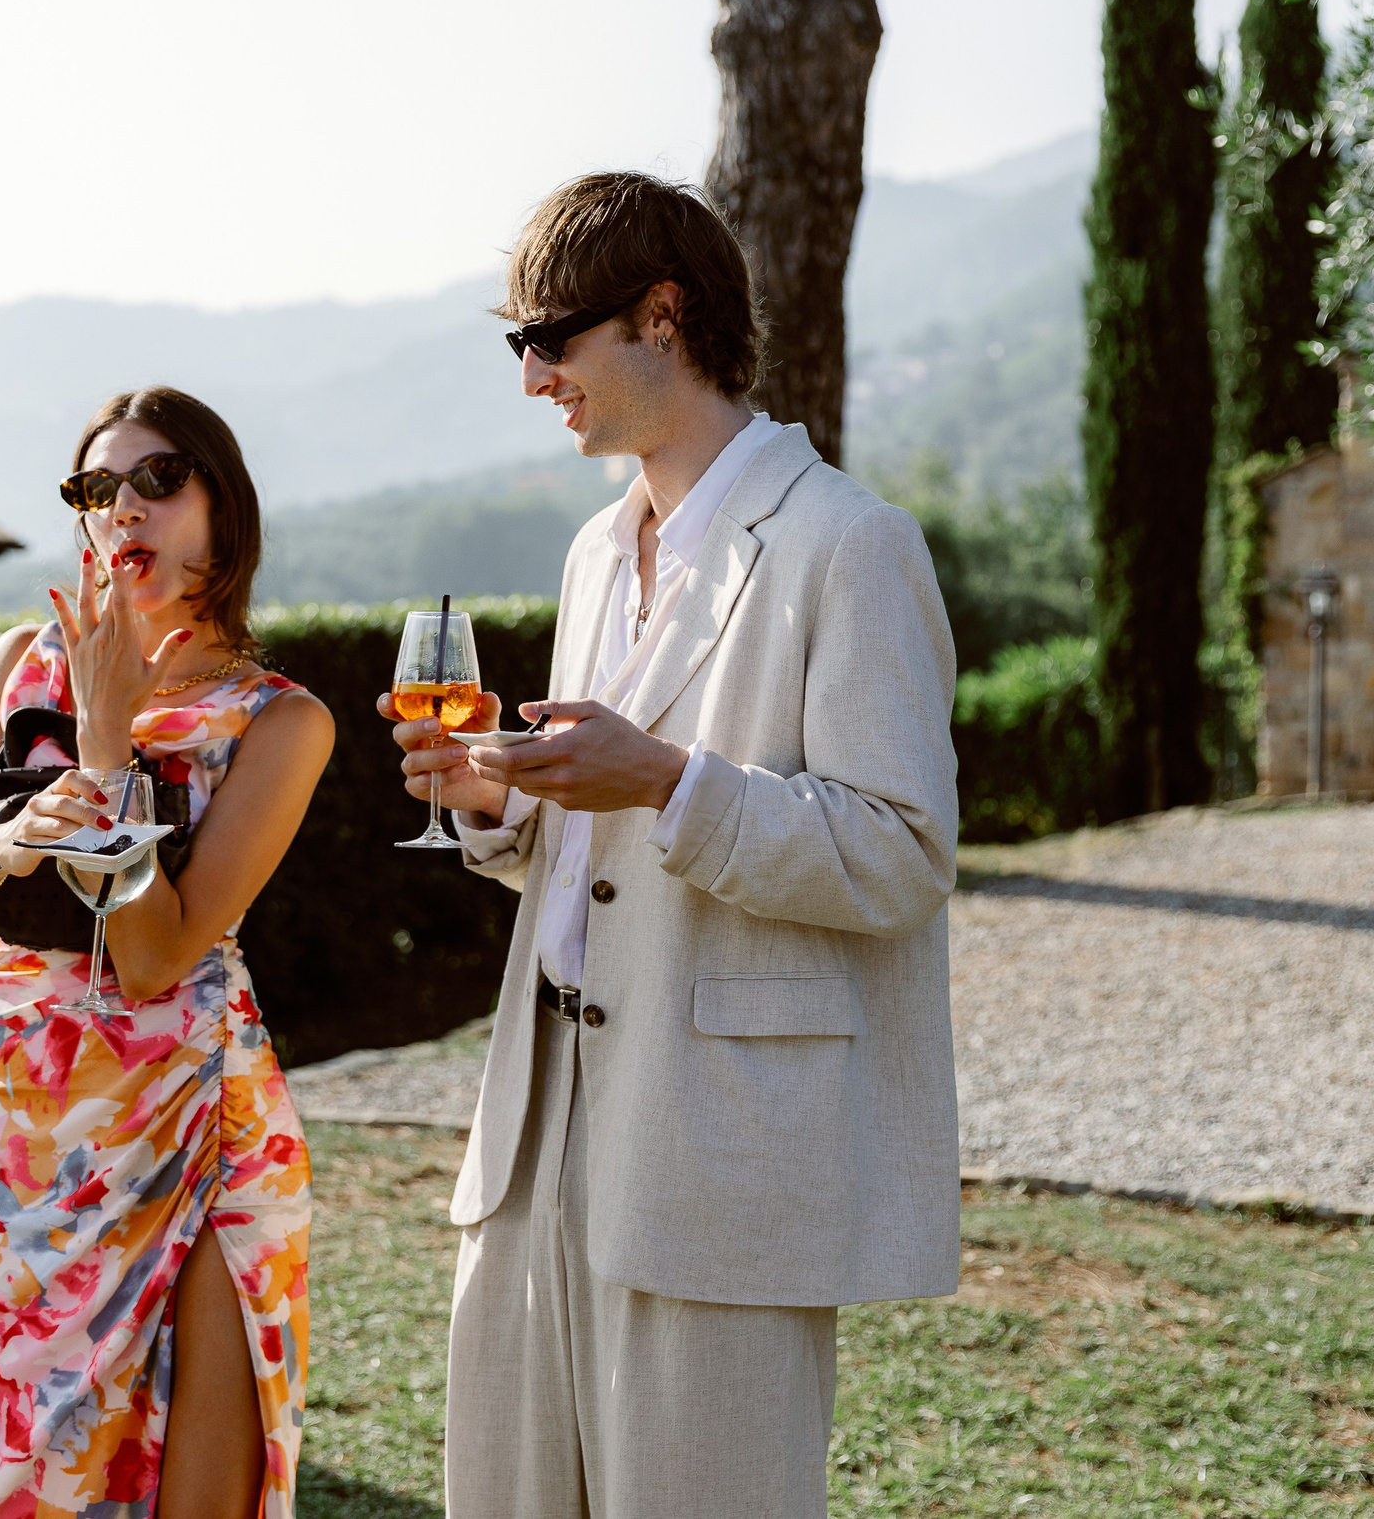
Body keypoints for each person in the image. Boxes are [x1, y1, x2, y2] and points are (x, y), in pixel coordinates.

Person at [384, 172, 962, 1518]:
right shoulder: (596, 550)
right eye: (515, 343)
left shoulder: (850, 544)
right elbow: (600, 847)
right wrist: (497, 803)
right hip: (536, 1134)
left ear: (663, 315)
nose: (532, 378)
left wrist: (666, 779)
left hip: (720, 1146)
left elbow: (900, 852)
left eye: (552, 340)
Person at [0, 388, 328, 1519]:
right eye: (96, 489)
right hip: (20, 1119)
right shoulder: (15, 664)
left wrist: (105, 748)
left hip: (194, 1126)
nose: (123, 508)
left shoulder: (279, 721)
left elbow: (153, 957)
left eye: (158, 480)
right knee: (8, 1470)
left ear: (222, 506)